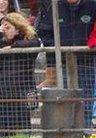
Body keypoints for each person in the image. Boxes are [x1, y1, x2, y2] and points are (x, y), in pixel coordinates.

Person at [37, 0, 96, 129]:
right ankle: (67, 131)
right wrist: (58, 48)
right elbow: (44, 32)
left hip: (87, 63)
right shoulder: (55, 7)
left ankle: (84, 130)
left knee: (86, 98)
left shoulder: (92, 5)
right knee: (65, 98)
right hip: (62, 64)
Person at [0, 12, 39, 138]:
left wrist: (13, 46)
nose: (4, 30)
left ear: (17, 28)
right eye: (3, 27)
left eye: (8, 27)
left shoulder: (28, 39)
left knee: (20, 119)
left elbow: (35, 43)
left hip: (20, 87)